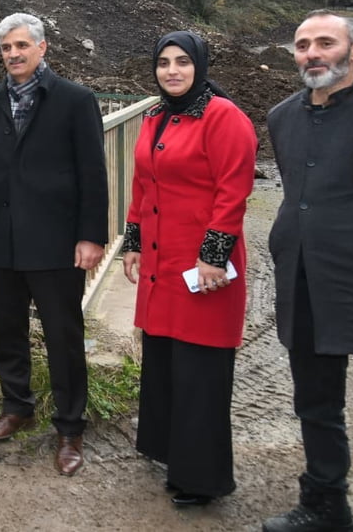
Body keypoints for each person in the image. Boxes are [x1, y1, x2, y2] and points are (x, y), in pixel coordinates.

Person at [0, 12, 107, 476]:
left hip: (56, 242)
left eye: (22, 46)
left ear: (42, 48)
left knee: (63, 336)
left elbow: (92, 173)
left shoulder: (74, 100)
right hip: (1, 239)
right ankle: (17, 405)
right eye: (6, 48)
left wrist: (91, 235)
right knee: (5, 330)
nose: (13, 55)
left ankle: (69, 428)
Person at [263, 11, 353, 532]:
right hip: (304, 280)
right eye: (302, 44)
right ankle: (325, 506)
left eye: (325, 43)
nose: (312, 53)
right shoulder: (281, 117)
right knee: (315, 403)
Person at [121, 31, 256, 507]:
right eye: (162, 62)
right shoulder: (155, 116)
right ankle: (167, 450)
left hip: (202, 264)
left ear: (199, 65)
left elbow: (233, 191)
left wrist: (214, 256)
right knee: (164, 362)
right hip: (161, 262)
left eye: (181, 62)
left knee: (200, 370)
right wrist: (132, 243)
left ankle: (202, 477)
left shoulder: (224, 117)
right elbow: (142, 185)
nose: (171, 70)